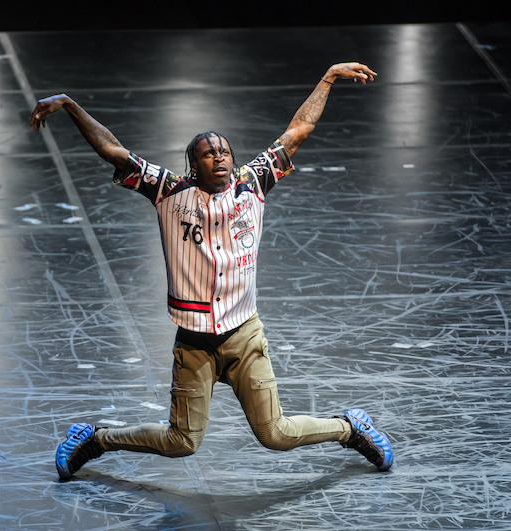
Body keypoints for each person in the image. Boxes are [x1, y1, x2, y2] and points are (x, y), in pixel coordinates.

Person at [29, 62, 393, 480]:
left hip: (243, 337)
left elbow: (298, 131)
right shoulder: (169, 192)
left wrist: (328, 78)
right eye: (208, 153)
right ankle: (93, 439)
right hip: (195, 344)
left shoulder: (253, 184)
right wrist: (71, 106)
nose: (219, 157)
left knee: (274, 434)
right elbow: (113, 151)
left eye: (224, 151)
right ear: (193, 165)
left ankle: (351, 429)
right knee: (181, 441)